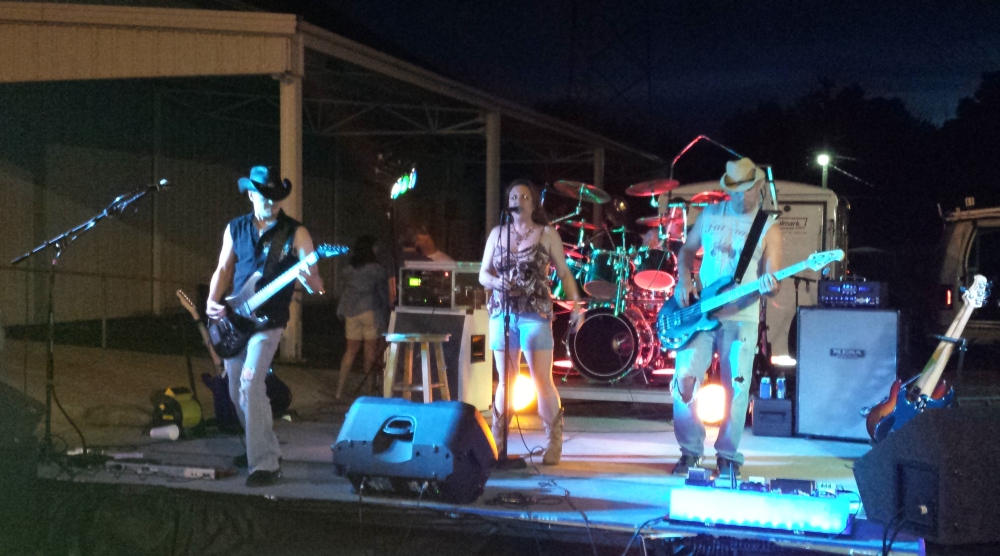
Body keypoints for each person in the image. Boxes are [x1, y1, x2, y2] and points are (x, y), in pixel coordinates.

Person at [207, 166, 325, 488]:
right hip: (237, 316)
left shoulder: (296, 233)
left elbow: (315, 280)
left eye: (276, 197)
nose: (271, 203)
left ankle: (265, 464)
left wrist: (311, 281)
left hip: (269, 322)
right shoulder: (235, 228)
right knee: (235, 390)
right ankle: (258, 446)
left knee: (250, 383)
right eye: (264, 196)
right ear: (250, 194)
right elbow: (224, 268)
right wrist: (212, 301)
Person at [670, 158, 782, 480]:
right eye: (734, 190)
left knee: (737, 386)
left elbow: (773, 279)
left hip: (742, 314)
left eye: (746, 190)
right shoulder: (710, 214)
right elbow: (687, 250)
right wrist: (684, 278)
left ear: (759, 187)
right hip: (702, 311)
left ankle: (728, 455)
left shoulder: (768, 228)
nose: (740, 197)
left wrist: (771, 286)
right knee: (685, 376)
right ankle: (690, 450)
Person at [479, 179, 583, 465]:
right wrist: (496, 282)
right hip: (502, 313)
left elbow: (564, 272)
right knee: (506, 381)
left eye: (525, 196)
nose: (518, 200)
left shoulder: (546, 233)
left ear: (534, 203)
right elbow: (483, 274)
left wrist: (576, 304)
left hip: (534, 313)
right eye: (514, 196)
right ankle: (498, 442)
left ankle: (554, 441)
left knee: (541, 380)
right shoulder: (498, 234)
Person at [335, 235, 391, 399]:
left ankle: (339, 391)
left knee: (350, 351)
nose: (377, 249)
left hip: (351, 313)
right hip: (370, 312)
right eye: (375, 246)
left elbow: (344, 292)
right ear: (370, 249)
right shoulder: (377, 270)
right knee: (369, 353)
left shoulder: (348, 270)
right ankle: (369, 390)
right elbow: (382, 293)